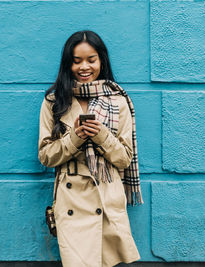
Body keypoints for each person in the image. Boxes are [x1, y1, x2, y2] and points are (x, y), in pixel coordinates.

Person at [38, 30, 143, 267]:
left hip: (106, 196)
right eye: (76, 61)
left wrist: (102, 135)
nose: (84, 67)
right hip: (71, 199)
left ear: (101, 61)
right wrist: (75, 138)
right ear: (68, 65)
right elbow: (45, 156)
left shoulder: (118, 100)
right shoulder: (54, 102)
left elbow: (125, 159)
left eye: (91, 60)